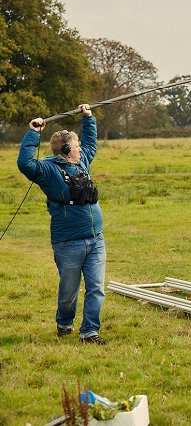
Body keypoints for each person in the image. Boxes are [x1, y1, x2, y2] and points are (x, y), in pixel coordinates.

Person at [17, 104, 108, 344]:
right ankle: (65, 323)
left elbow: (90, 144)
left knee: (96, 288)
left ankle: (89, 331)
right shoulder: (47, 170)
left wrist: (88, 117)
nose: (81, 149)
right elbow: (25, 164)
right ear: (67, 150)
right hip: (68, 242)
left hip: (96, 238)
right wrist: (34, 133)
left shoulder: (81, 162)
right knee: (69, 292)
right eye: (76, 146)